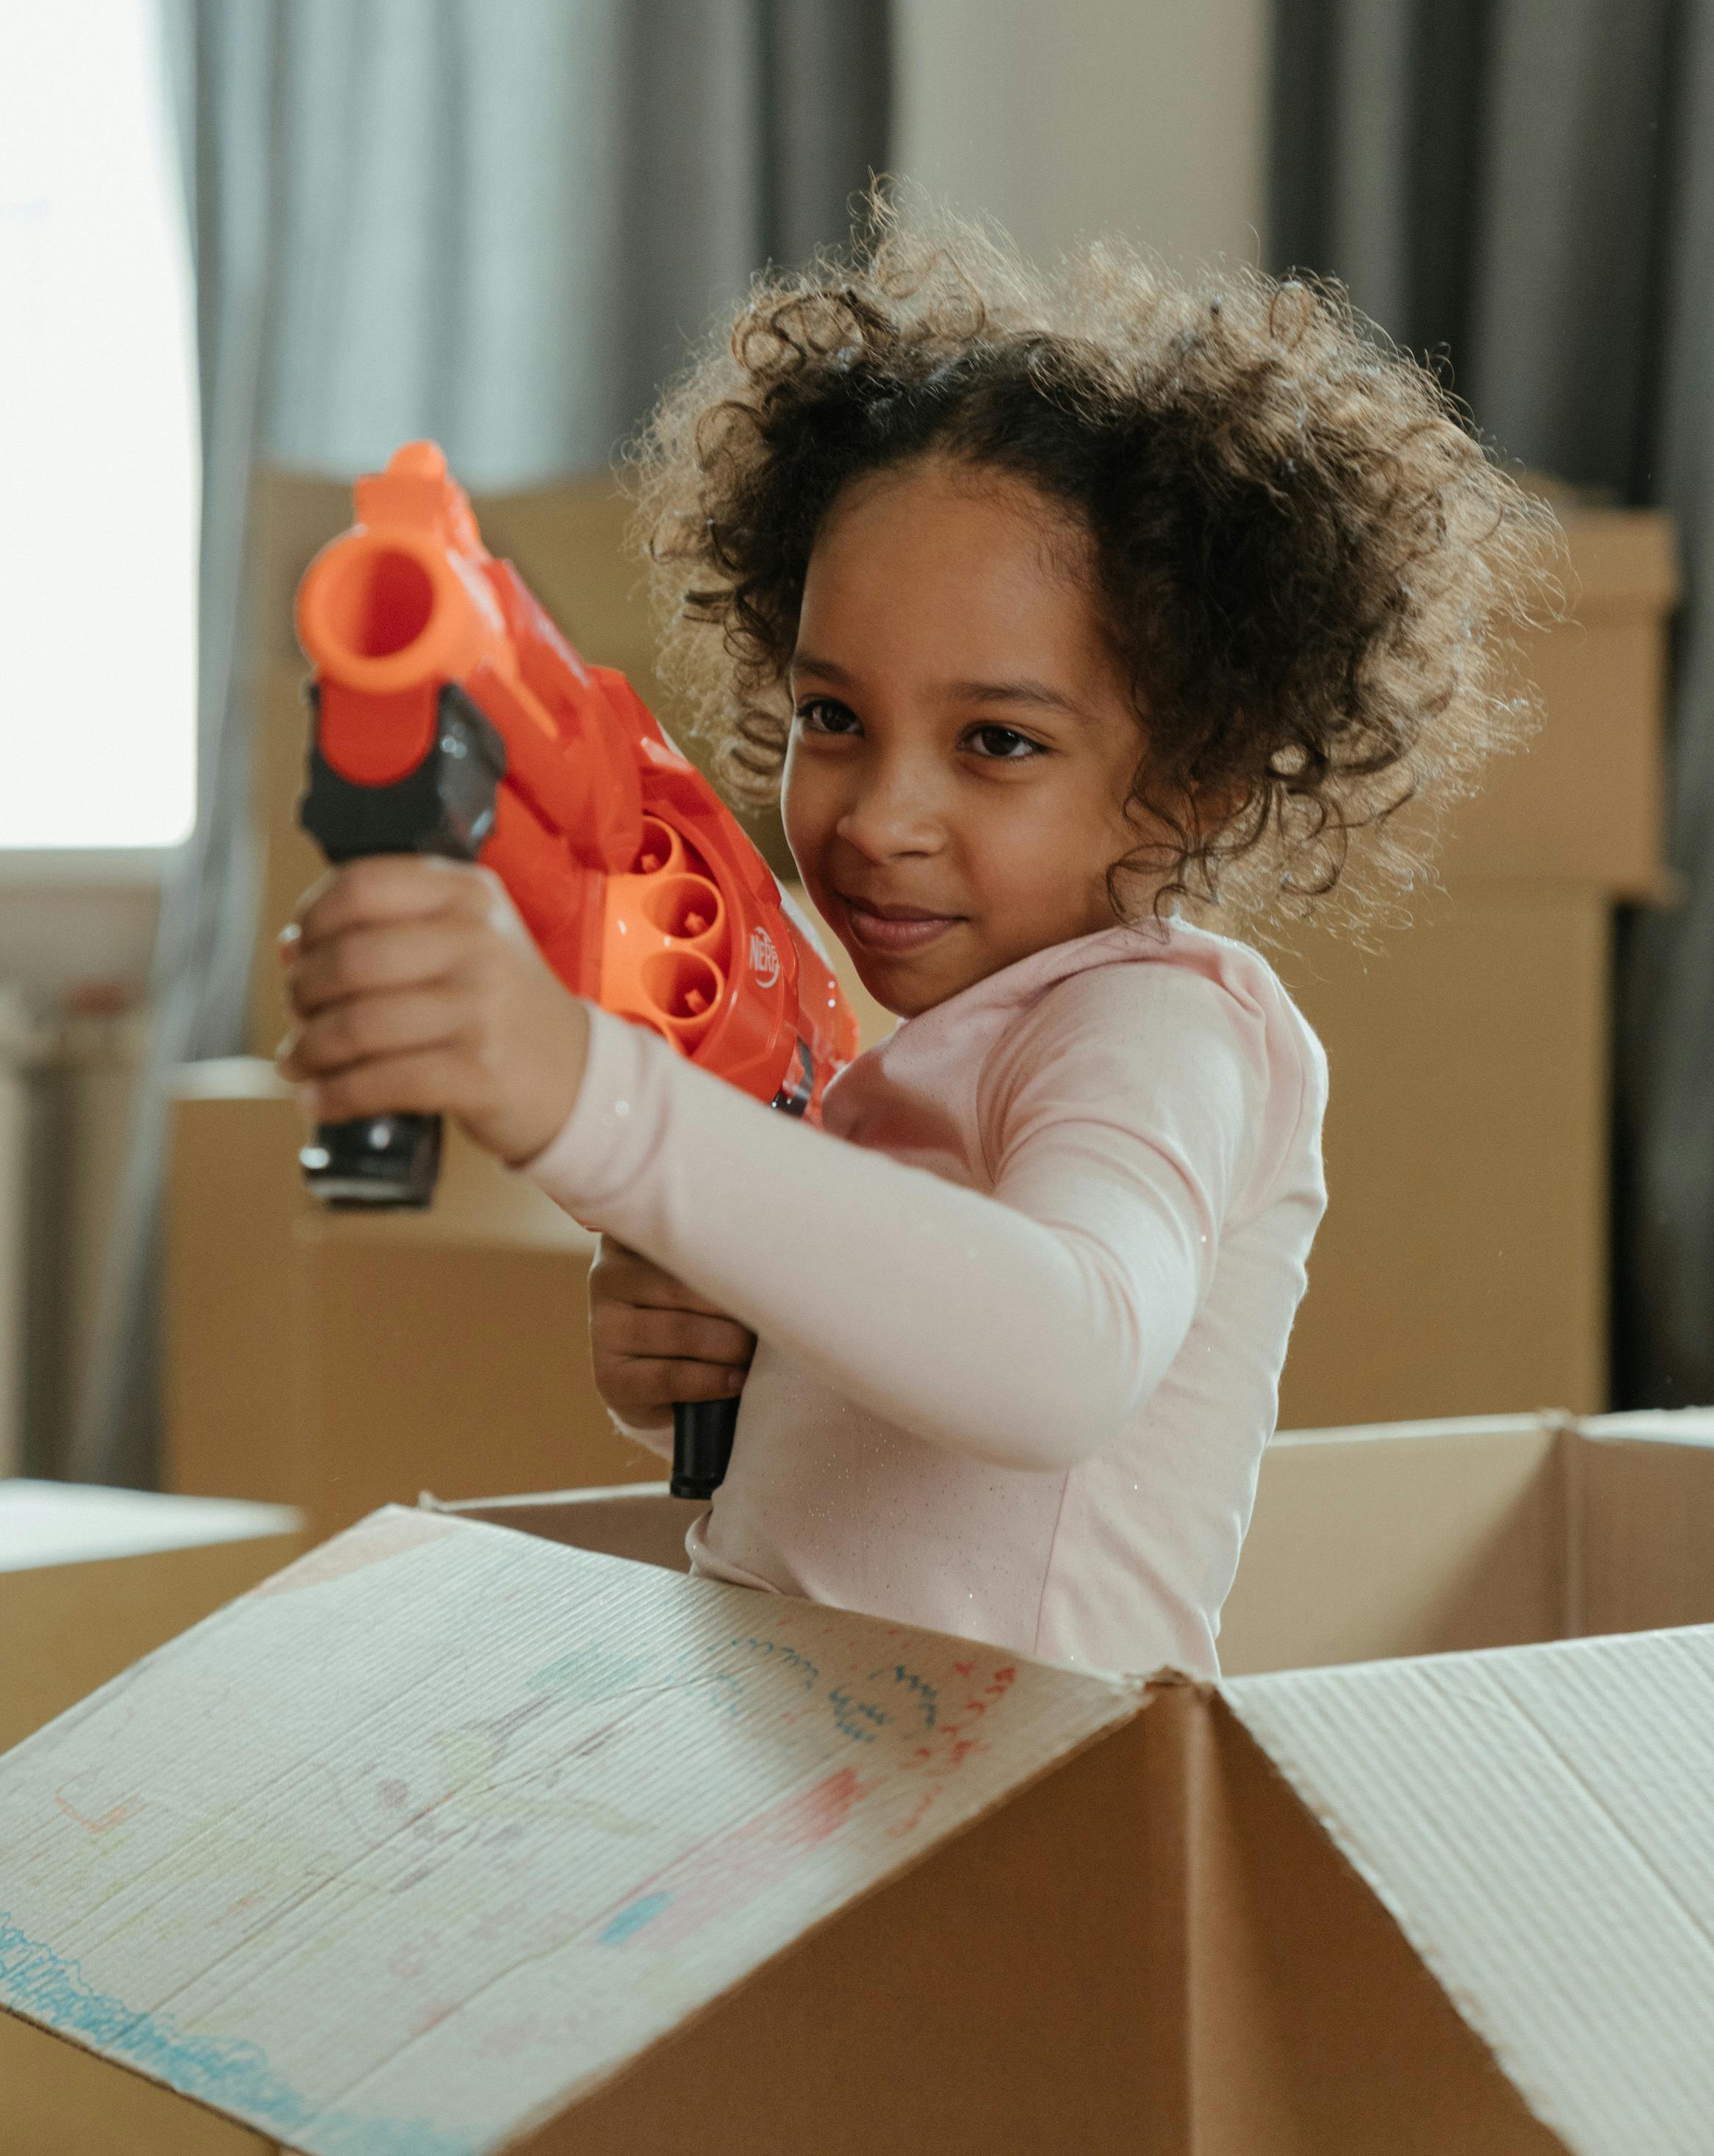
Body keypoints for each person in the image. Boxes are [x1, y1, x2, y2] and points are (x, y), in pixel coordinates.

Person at [278, 211, 1550, 1678]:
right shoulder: (912, 1049)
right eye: (835, 718)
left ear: (1196, 772)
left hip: (1037, 1843)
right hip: (825, 1799)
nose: (882, 814)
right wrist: (708, 1367)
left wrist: (600, 1103)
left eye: (996, 742)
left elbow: (1060, 1359)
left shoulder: (1166, 1025)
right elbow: (897, 1440)